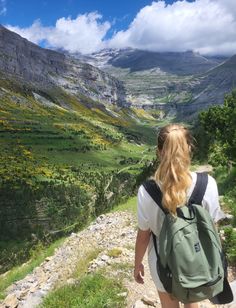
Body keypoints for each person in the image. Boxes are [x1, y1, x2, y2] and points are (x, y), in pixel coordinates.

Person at [134, 123, 225, 308]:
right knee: (192, 302)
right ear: (189, 148)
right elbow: (213, 228)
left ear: (159, 152)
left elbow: (143, 236)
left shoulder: (147, 191)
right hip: (197, 259)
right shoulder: (208, 184)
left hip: (162, 263)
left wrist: (137, 264)